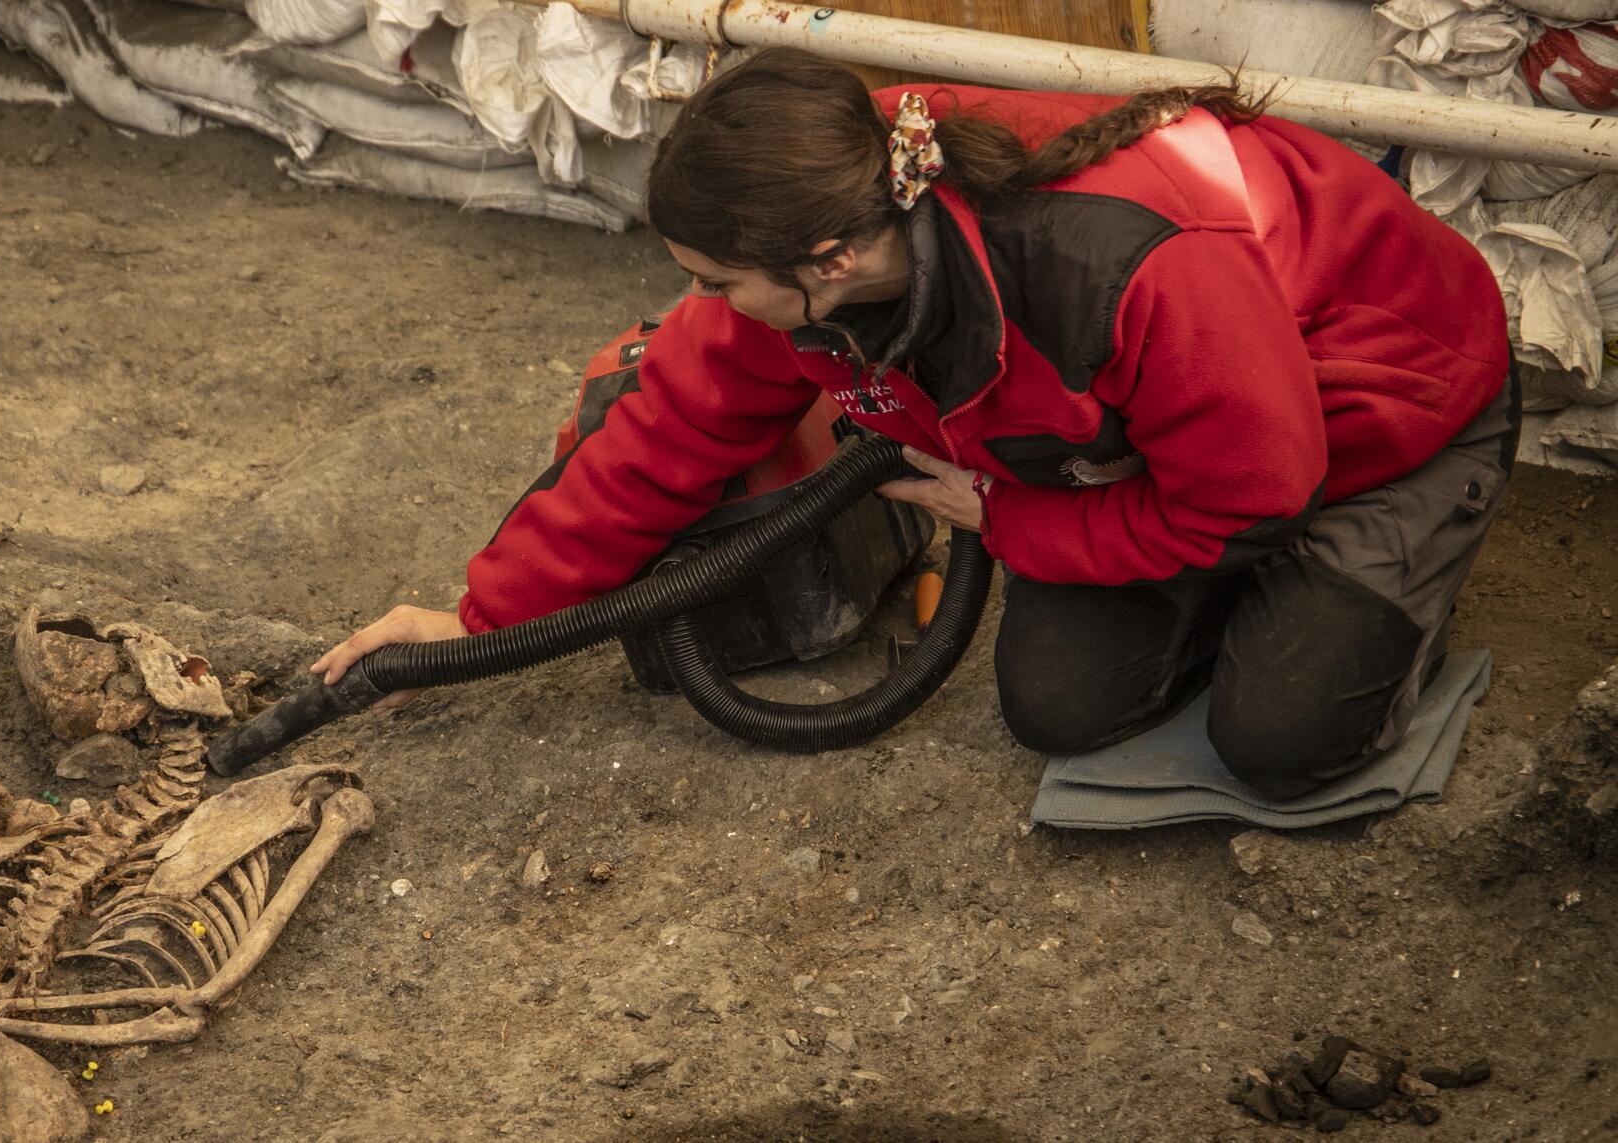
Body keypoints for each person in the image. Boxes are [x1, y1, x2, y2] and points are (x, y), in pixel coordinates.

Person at [311, 48, 1516, 800]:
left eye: (720, 281)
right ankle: (1223, 583)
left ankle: (1394, 570)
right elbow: (667, 426)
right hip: (1151, 448)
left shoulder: (1128, 265)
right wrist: (470, 622)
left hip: (1373, 428)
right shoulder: (844, 186)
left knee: (1284, 741)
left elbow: (1252, 492)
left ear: (827, 261)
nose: (707, 304)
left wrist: (1011, 518)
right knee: (1060, 713)